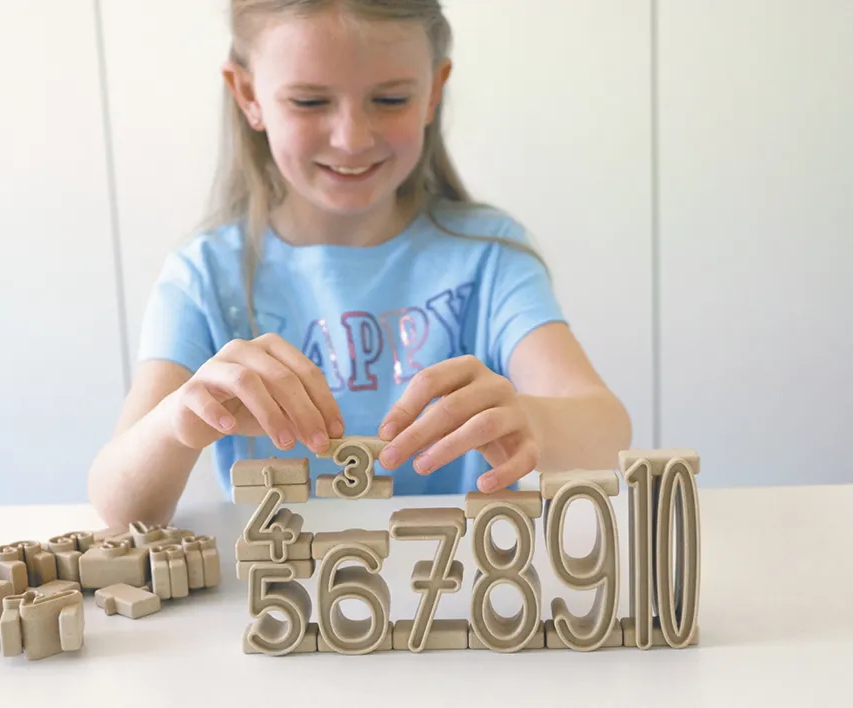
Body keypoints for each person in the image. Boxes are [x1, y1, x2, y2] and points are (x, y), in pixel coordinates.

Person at [87, 0, 632, 527]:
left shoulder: (489, 256)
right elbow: (120, 506)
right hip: (281, 606)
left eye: (390, 99)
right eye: (309, 102)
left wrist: (533, 421)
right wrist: (176, 422)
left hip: (459, 600)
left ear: (433, 91)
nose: (352, 138)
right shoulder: (204, 277)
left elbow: (607, 429)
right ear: (248, 95)